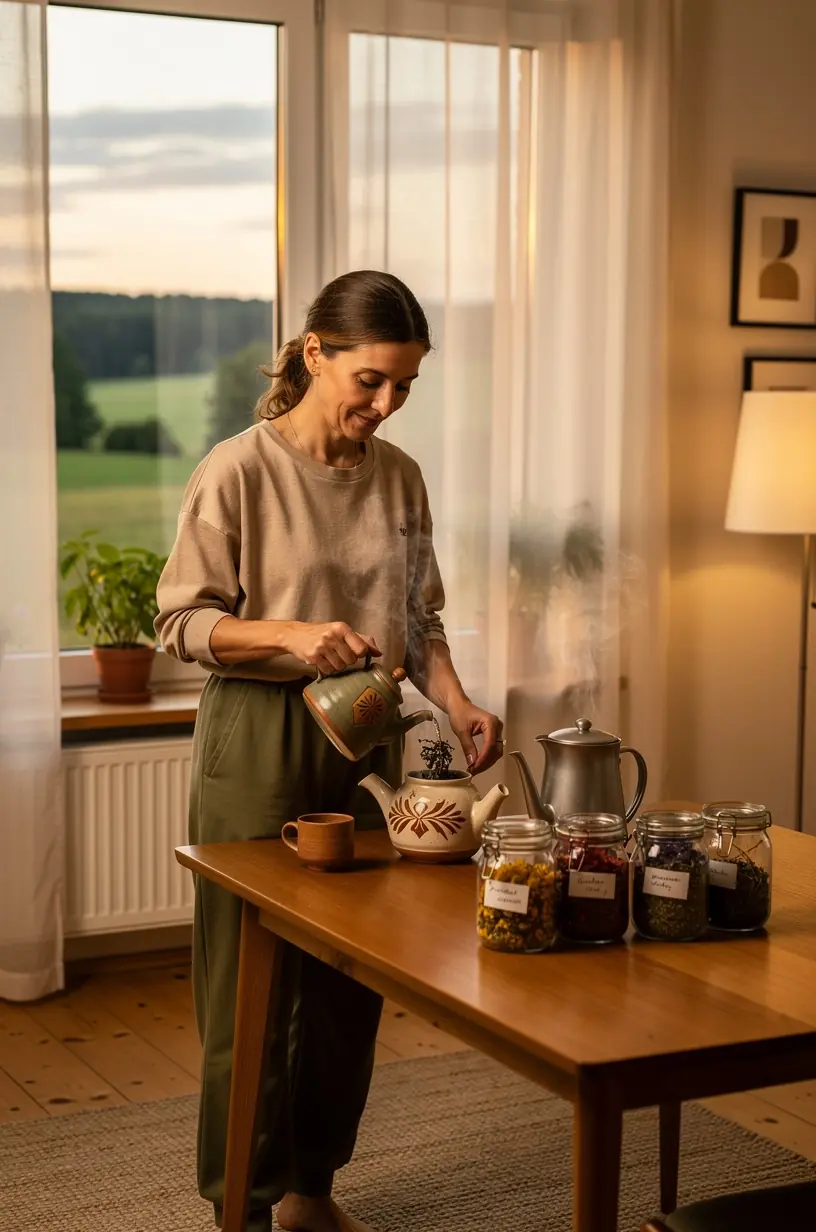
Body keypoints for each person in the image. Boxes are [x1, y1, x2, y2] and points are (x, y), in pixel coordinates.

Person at [155, 269, 503, 1232]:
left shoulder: (399, 477)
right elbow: (182, 624)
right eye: (371, 382)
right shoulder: (238, 469)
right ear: (316, 354)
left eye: (404, 389)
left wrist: (458, 699)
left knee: (354, 980)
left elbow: (417, 617)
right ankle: (244, 1203)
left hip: (371, 733)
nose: (386, 406)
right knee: (249, 985)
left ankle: (313, 1188)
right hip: (259, 737)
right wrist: (292, 635)